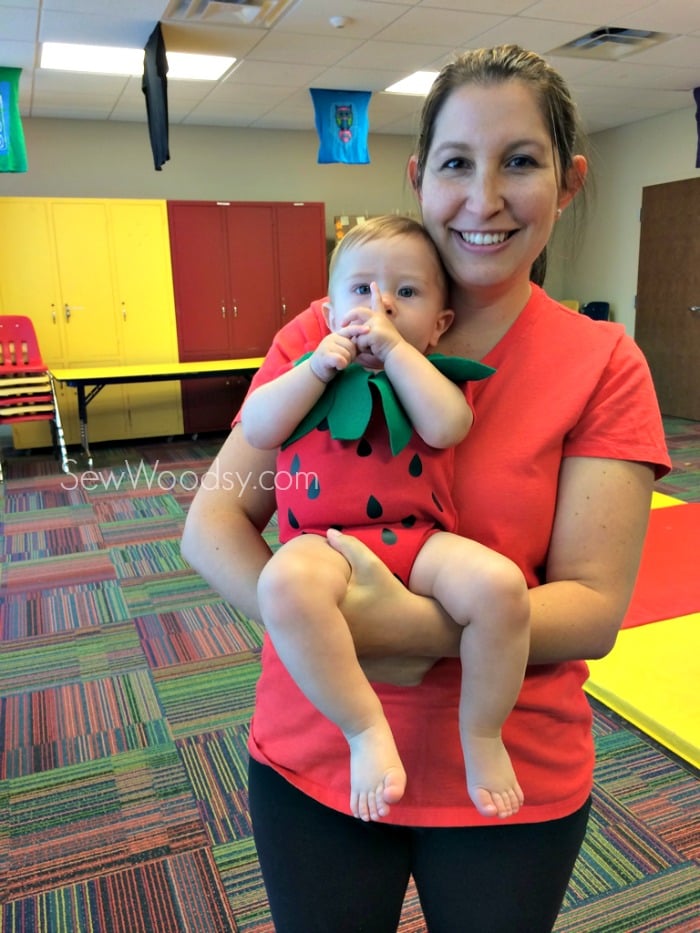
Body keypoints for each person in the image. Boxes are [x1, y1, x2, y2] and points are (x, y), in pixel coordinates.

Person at [182, 44, 671, 933]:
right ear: (419, 175)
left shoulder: (602, 364)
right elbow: (214, 519)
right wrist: (313, 614)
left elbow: (594, 606)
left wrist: (403, 630)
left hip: (508, 771)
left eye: (521, 162)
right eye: (456, 163)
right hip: (316, 750)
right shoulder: (323, 330)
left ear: (568, 183)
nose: (483, 199)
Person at [239, 215, 530, 823]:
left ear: (440, 324)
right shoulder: (306, 366)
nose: (382, 307)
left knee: (501, 588)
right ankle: (365, 728)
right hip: (325, 544)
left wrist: (398, 354)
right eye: (362, 290)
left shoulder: (426, 371)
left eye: (407, 293)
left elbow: (447, 426)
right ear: (329, 311)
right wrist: (316, 368)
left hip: (421, 541)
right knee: (283, 586)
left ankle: (480, 734)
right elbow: (262, 428)